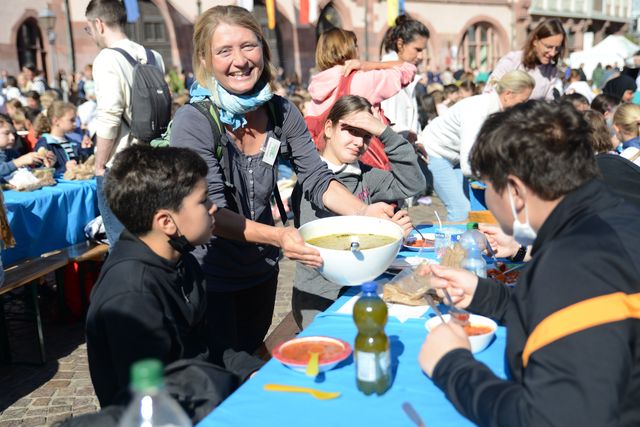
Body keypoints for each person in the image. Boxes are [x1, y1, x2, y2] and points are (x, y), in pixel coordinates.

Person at [169, 5, 396, 364]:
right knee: (221, 375)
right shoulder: (193, 122)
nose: (240, 60)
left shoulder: (280, 111)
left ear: (264, 49)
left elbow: (318, 178)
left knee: (249, 358)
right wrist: (281, 236)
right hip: (210, 275)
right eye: (224, 51)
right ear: (205, 59)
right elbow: (211, 212)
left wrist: (366, 213)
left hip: (260, 271)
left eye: (248, 46)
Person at [418, 100, 640, 426]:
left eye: (486, 187)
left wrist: (451, 365)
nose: (487, 199)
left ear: (515, 192)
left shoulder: (574, 264)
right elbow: (581, 316)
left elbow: (548, 418)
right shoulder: (613, 219)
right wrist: (485, 296)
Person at [86, 144, 263, 410]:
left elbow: (210, 344)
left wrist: (251, 371)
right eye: (203, 200)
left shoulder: (182, 259)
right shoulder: (132, 294)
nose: (213, 208)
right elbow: (149, 398)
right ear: (167, 222)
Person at [291, 95, 422, 329]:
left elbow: (413, 184)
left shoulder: (363, 175)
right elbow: (331, 251)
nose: (359, 142)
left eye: (366, 136)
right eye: (351, 130)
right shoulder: (311, 184)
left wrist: (385, 133)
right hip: (322, 300)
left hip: (362, 290)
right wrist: (389, 235)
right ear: (329, 128)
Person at [85, 0, 165, 246]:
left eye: (88, 29)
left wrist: (100, 165)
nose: (91, 34)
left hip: (122, 164)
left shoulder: (107, 59)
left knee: (123, 246)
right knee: (156, 240)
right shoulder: (154, 56)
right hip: (154, 157)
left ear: (98, 24)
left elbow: (109, 114)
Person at [418, 70, 535, 221]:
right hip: (435, 153)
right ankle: (451, 244)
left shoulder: (502, 111)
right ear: (508, 94)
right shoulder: (478, 111)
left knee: (474, 207)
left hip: (455, 156)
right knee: (461, 209)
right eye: (522, 102)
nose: (523, 108)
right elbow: (468, 166)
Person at [306, 27, 417, 170]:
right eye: (356, 45)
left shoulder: (316, 88)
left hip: (329, 169)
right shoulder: (359, 80)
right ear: (349, 49)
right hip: (365, 167)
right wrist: (368, 65)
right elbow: (408, 69)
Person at [484, 18, 566, 100]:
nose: (553, 53)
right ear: (535, 41)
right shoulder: (512, 61)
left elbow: (548, 103)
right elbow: (489, 92)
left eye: (557, 48)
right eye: (548, 47)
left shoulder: (551, 71)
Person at [379, 15, 430, 144]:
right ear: (400, 44)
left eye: (423, 50)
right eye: (417, 50)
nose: (421, 56)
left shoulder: (407, 74)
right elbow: (382, 122)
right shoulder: (386, 75)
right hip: (390, 155)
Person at [34, 101, 93, 175]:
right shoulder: (45, 144)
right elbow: (41, 172)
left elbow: (82, 163)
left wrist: (86, 149)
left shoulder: (72, 142)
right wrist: (64, 168)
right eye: (72, 120)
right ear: (56, 121)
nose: (75, 124)